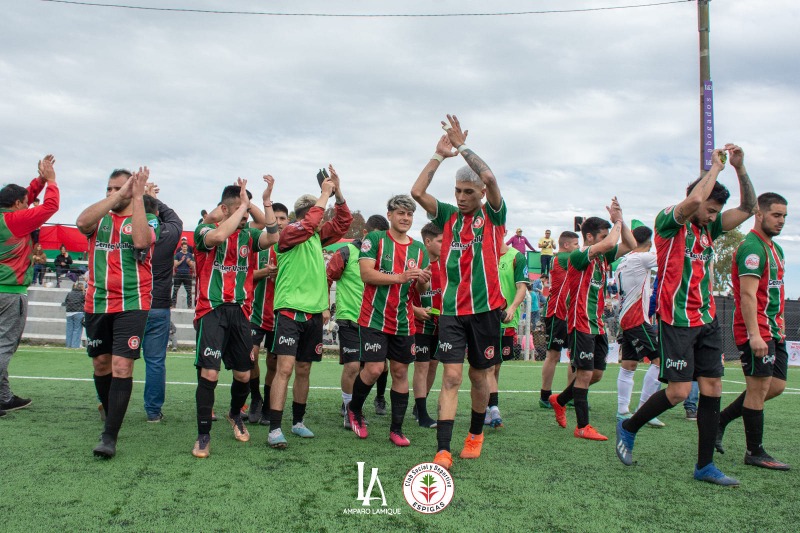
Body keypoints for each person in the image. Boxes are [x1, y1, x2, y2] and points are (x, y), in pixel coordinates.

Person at [615, 145, 756, 487]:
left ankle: (705, 466)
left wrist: (739, 169)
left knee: (712, 387)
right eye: (710, 210)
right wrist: (715, 169)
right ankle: (629, 426)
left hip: (706, 319)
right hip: (676, 319)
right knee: (678, 392)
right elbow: (693, 202)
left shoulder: (709, 229)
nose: (712, 216)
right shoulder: (669, 221)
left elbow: (748, 208)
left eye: (716, 212)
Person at [411, 114, 506, 470]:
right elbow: (417, 193)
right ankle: (443, 449)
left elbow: (490, 177)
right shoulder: (449, 216)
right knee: (450, 377)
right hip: (451, 312)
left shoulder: (494, 215)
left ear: (480, 193)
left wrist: (463, 146)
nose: (462, 197)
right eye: (458, 191)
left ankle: (475, 435)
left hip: (485, 311)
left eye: (469, 192)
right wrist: (439, 155)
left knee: (479, 376)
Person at [191, 178, 280, 458]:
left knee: (243, 374)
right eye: (240, 210)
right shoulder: (204, 230)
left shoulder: (248, 237)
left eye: (246, 211)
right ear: (225, 209)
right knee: (210, 373)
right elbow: (218, 237)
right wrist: (242, 207)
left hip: (241, 312)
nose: (245, 217)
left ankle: (234, 414)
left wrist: (263, 202)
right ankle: (203, 434)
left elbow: (273, 236)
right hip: (212, 310)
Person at [266, 166, 352, 449]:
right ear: (306, 213)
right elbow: (310, 222)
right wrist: (324, 193)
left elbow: (343, 222)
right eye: (318, 213)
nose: (321, 218)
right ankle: (274, 428)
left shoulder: (316, 236)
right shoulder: (289, 233)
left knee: (304, 369)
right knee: (285, 368)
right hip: (289, 309)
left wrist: (338, 193)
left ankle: (298, 422)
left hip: (314, 312)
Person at [76, 167, 158, 457]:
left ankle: (109, 436)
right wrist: (117, 196)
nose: (112, 192)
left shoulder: (147, 218)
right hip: (97, 302)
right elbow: (81, 222)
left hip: (132, 302)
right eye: (109, 188)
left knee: (122, 366)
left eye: (118, 187)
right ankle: (112, 414)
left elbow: (141, 241)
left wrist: (136, 198)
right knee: (101, 364)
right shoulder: (99, 218)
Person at [345, 195, 429, 447]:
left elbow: (420, 291)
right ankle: (354, 410)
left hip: (404, 321)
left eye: (409, 214)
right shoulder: (375, 240)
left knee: (400, 372)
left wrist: (422, 282)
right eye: (400, 213)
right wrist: (400, 277)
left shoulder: (419, 249)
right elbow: (366, 274)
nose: (405, 218)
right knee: (373, 369)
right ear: (390, 215)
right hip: (374, 318)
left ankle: (397, 430)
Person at [549, 202, 636, 441]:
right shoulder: (579, 256)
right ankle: (582, 427)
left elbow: (630, 244)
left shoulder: (602, 258)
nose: (608, 240)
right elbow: (609, 243)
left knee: (596, 374)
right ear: (589, 237)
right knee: (585, 375)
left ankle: (560, 400)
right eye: (602, 236)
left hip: (597, 324)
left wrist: (621, 219)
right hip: (580, 323)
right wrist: (616, 222)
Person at [716, 193, 789, 470]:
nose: (781, 221)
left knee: (776, 386)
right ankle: (754, 452)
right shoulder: (751, 248)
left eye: (784, 216)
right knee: (757, 390)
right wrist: (755, 335)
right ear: (759, 214)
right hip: (757, 331)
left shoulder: (775, 249)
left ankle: (721, 419)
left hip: (774, 329)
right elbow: (747, 296)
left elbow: (774, 292)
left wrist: (779, 322)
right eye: (776, 215)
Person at [0, 154, 59, 418]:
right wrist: (52, 182)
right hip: (9, 293)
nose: (28, 204)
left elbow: (25, 197)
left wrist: (40, 181)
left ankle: (3, 397)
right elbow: (50, 207)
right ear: (16, 205)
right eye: (25, 203)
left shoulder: (6, 216)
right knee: (4, 346)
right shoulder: (15, 220)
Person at [326, 214, 390, 428]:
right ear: (364, 233)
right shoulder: (346, 252)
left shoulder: (384, 257)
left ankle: (357, 405)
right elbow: (327, 276)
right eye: (375, 237)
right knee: (353, 366)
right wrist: (325, 306)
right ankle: (348, 408)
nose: (378, 241)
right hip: (349, 319)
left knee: (374, 368)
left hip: (374, 321)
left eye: (382, 238)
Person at [140, 183, 183, 423]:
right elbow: (174, 218)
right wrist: (154, 199)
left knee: (119, 358)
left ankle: (110, 403)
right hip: (158, 305)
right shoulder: (169, 232)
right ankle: (153, 412)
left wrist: (143, 200)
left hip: (131, 303)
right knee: (155, 361)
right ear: (157, 212)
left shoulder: (127, 230)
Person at [614, 226, 664, 427]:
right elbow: (669, 258)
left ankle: (622, 409)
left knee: (629, 364)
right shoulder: (642, 258)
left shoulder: (623, 261)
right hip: (636, 319)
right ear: (649, 243)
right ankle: (645, 411)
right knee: (659, 361)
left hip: (625, 318)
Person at [249, 186, 289, 425]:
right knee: (250, 357)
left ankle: (266, 405)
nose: (279, 222)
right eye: (275, 218)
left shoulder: (292, 247)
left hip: (280, 315)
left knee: (274, 363)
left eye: (283, 218)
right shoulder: (258, 244)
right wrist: (264, 272)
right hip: (255, 312)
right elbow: (244, 275)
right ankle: (255, 398)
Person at [486, 239, 529, 427]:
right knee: (487, 366)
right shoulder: (482, 254)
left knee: (496, 366)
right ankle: (493, 408)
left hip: (506, 320)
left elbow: (522, 288)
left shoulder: (516, 257)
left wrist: (511, 308)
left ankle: (487, 407)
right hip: (484, 319)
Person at [539, 231, 580, 408]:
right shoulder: (562, 258)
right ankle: (545, 396)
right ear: (566, 245)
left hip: (571, 314)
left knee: (574, 356)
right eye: (576, 244)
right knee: (553, 355)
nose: (578, 247)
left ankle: (568, 396)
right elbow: (586, 255)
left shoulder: (569, 259)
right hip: (557, 312)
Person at [410, 222, 443, 429]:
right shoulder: (415, 262)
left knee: (433, 365)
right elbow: (400, 293)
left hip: (441, 324)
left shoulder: (448, 263)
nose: (444, 245)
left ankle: (418, 407)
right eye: (440, 241)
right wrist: (415, 310)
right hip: (419, 323)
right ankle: (422, 414)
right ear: (428, 242)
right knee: (421, 366)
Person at [63, 281, 86, 348]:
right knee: (77, 329)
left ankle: (68, 345)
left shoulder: (70, 293)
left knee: (69, 329)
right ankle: (75, 345)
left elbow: (66, 301)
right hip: (78, 312)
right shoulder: (82, 294)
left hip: (69, 312)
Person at [172, 241, 194, 308]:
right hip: (179, 273)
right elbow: (175, 265)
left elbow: (192, 265)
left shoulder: (190, 255)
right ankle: (173, 305)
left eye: (186, 247)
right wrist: (181, 260)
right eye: (184, 247)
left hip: (187, 274)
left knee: (189, 291)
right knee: (175, 290)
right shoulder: (177, 255)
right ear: (181, 247)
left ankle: (189, 306)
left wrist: (188, 262)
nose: (185, 248)